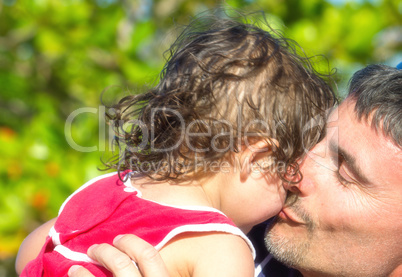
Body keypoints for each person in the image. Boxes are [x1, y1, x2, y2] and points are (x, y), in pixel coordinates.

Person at [15, 11, 336, 277]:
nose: (287, 196)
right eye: (286, 175)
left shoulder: (106, 190)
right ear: (256, 156)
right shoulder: (220, 248)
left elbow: (29, 255)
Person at [66, 64, 402, 277]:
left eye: (345, 174)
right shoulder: (236, 226)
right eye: (312, 139)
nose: (295, 170)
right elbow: (49, 243)